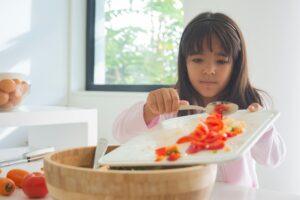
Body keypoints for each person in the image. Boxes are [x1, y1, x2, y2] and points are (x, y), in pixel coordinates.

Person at [112, 12, 286, 188]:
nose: (209, 70)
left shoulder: (251, 103)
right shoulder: (171, 105)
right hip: (183, 192)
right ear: (184, 62)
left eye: (221, 61)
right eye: (197, 59)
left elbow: (273, 159)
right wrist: (150, 110)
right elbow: (120, 134)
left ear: (236, 64)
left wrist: (259, 125)